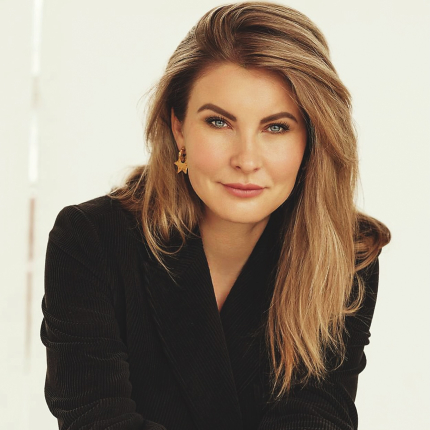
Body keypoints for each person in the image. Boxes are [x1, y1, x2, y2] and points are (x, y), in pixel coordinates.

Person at [40, 2, 391, 429]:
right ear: (179, 127)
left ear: (312, 140)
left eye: (276, 127)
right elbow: (96, 418)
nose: (246, 159)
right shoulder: (90, 240)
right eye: (219, 123)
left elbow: (316, 417)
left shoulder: (345, 253)